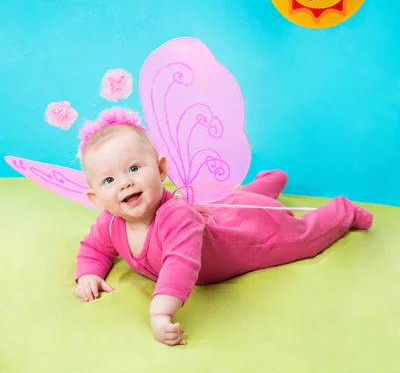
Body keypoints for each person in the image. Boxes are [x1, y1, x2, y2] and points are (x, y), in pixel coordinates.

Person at [74, 107, 373, 346]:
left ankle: (341, 212)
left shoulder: (174, 217)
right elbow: (93, 248)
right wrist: (88, 273)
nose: (125, 182)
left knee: (299, 238)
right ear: (95, 197)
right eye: (109, 180)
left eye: (134, 168)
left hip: (238, 240)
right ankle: (266, 183)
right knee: (231, 201)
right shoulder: (110, 222)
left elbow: (180, 264)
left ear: (161, 169)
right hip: (216, 212)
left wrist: (160, 311)